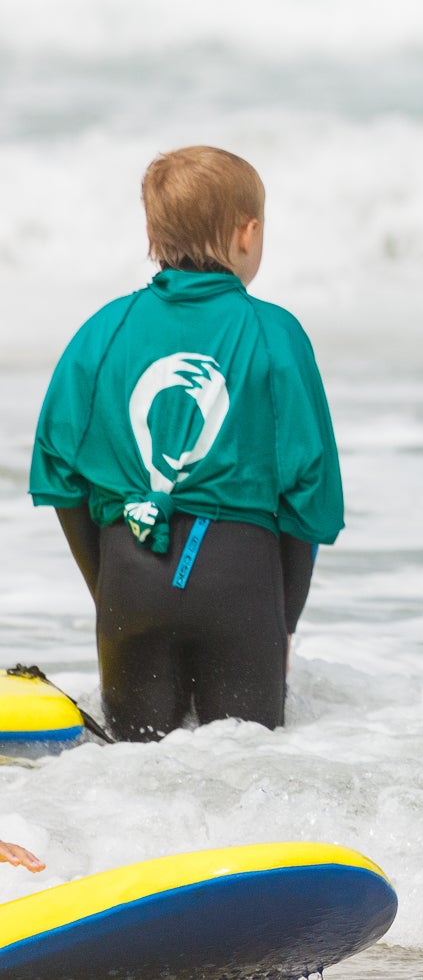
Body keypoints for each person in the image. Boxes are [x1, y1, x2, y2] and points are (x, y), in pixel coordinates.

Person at [29, 147, 345, 742]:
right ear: (248, 234)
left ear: (150, 231)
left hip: (129, 574)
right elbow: (311, 495)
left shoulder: (102, 331)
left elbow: (57, 475)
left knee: (134, 769)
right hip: (240, 584)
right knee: (243, 771)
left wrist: (110, 591)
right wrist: (284, 624)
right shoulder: (276, 334)